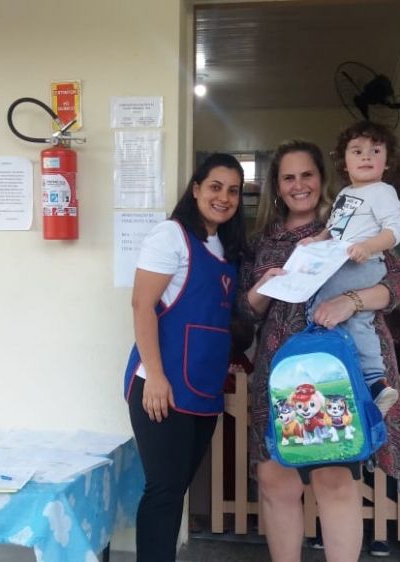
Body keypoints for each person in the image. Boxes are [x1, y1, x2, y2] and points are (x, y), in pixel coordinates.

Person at [239, 139, 400, 560]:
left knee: (334, 481)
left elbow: (398, 284)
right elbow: (245, 312)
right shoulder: (263, 241)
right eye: (288, 177)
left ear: (322, 178)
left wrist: (349, 301)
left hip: (334, 369)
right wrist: (262, 288)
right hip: (278, 371)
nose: (299, 185)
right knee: (276, 480)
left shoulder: (355, 224)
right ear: (277, 185)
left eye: (307, 175)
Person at [122, 153, 246, 562]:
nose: (223, 197)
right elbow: (142, 305)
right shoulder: (170, 236)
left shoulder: (226, 247)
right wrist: (156, 378)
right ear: (196, 189)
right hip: (164, 386)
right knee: (164, 490)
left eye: (233, 191)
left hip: (204, 387)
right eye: (215, 187)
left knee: (176, 488)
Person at [301, 121, 400, 418]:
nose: (366, 157)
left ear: (387, 161)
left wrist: (369, 247)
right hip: (341, 262)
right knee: (345, 317)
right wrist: (318, 240)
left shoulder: (382, 191)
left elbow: (396, 230)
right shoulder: (346, 193)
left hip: (363, 264)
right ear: (343, 161)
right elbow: (335, 227)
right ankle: (361, 381)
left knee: (341, 314)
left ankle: (372, 379)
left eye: (375, 151)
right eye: (357, 151)